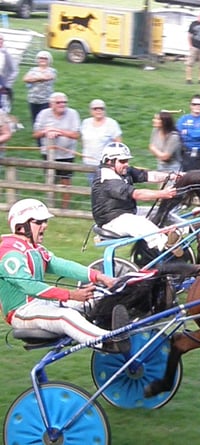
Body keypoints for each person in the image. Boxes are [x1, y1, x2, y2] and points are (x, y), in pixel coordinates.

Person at [0, 199, 128, 352]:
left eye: (45, 221)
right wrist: (71, 295)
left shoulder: (36, 249)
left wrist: (99, 277)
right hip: (21, 312)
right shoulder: (10, 252)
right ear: (21, 226)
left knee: (96, 298)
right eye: (39, 222)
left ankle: (131, 315)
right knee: (65, 316)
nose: (45, 225)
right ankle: (108, 342)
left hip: (42, 304)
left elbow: (64, 266)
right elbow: (29, 285)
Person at [91, 142, 178, 254]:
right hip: (111, 221)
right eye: (122, 161)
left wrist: (172, 176)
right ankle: (165, 245)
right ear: (109, 161)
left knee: (161, 212)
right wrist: (163, 193)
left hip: (126, 213)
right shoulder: (106, 178)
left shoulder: (123, 171)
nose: (126, 164)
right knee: (140, 223)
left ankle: (188, 229)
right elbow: (137, 194)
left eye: (127, 160)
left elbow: (149, 175)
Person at [33, 92, 81, 209]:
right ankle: (50, 206)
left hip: (66, 154)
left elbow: (76, 134)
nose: (62, 104)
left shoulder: (73, 114)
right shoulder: (44, 114)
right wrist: (46, 131)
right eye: (58, 102)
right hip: (48, 153)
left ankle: (64, 209)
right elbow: (35, 134)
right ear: (51, 104)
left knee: (66, 182)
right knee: (50, 180)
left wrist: (58, 131)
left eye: (64, 102)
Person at [81, 99, 122, 184]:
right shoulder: (86, 123)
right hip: (89, 163)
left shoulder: (111, 123)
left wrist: (115, 160)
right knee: (94, 187)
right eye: (95, 109)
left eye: (101, 108)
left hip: (105, 164)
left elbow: (119, 144)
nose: (98, 111)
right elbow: (82, 140)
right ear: (91, 111)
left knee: (105, 188)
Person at [176, 94, 200, 171]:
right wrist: (193, 134)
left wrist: (187, 132)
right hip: (186, 152)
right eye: (194, 104)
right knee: (186, 178)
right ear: (190, 106)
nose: (197, 106)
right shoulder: (183, 119)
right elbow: (178, 133)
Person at [23, 50, 56, 126]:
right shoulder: (32, 69)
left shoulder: (52, 70)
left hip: (45, 100)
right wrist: (40, 78)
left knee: (44, 119)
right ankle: (37, 134)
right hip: (33, 99)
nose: (42, 60)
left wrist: (33, 78)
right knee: (35, 119)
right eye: (40, 58)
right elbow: (25, 79)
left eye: (45, 58)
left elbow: (48, 77)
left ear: (49, 60)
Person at [0, 34, 17, 108]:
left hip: (2, 83)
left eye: (1, 39)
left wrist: (7, 84)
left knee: (2, 106)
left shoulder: (6, 54)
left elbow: (14, 70)